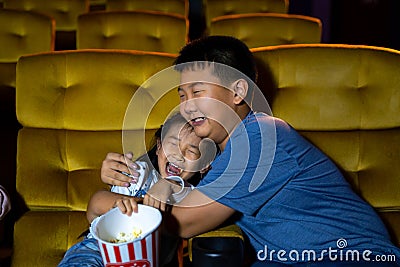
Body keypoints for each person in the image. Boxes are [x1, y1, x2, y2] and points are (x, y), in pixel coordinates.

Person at [104, 35, 400, 266]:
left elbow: (182, 222)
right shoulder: (219, 152)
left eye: (197, 92)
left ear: (237, 92)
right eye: (182, 95)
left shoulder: (260, 136)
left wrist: (104, 205)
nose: (187, 105)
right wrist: (120, 180)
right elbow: (173, 195)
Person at [57, 112, 215, 267]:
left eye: (192, 151)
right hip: (98, 251)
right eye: (173, 144)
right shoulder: (139, 174)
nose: (179, 155)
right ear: (159, 146)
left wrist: (170, 184)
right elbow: (93, 210)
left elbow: (190, 201)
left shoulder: (194, 196)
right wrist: (125, 204)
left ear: (204, 165)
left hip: (148, 260)